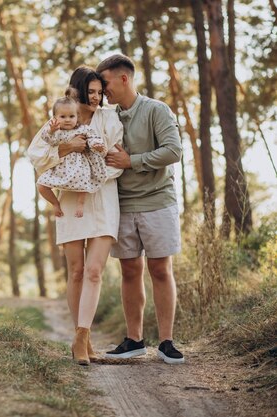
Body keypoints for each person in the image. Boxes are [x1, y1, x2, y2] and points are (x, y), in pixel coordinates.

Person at [28, 66, 124, 365]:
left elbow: (116, 160)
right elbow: (36, 157)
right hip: (70, 202)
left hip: (103, 198)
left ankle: (81, 336)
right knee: (77, 271)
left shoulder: (110, 119)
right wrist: (66, 150)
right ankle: (83, 337)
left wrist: (91, 175)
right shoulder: (58, 121)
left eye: (99, 92)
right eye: (90, 92)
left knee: (95, 271)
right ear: (76, 91)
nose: (96, 98)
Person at [97, 54, 185, 364]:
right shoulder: (107, 117)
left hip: (158, 201)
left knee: (160, 269)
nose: (102, 90)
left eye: (105, 83)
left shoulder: (156, 110)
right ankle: (134, 340)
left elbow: (173, 151)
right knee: (130, 270)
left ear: (124, 78)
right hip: (122, 204)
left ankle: (166, 342)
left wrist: (131, 161)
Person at [36, 90, 108, 218]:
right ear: (55, 118)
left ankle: (80, 204)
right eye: (63, 117)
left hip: (79, 165)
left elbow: (92, 138)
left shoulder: (83, 129)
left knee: (84, 181)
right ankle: (55, 203)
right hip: (60, 167)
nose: (67, 120)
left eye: (71, 116)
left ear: (77, 117)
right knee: (41, 185)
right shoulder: (57, 132)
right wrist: (51, 131)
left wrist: (95, 144)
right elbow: (48, 140)